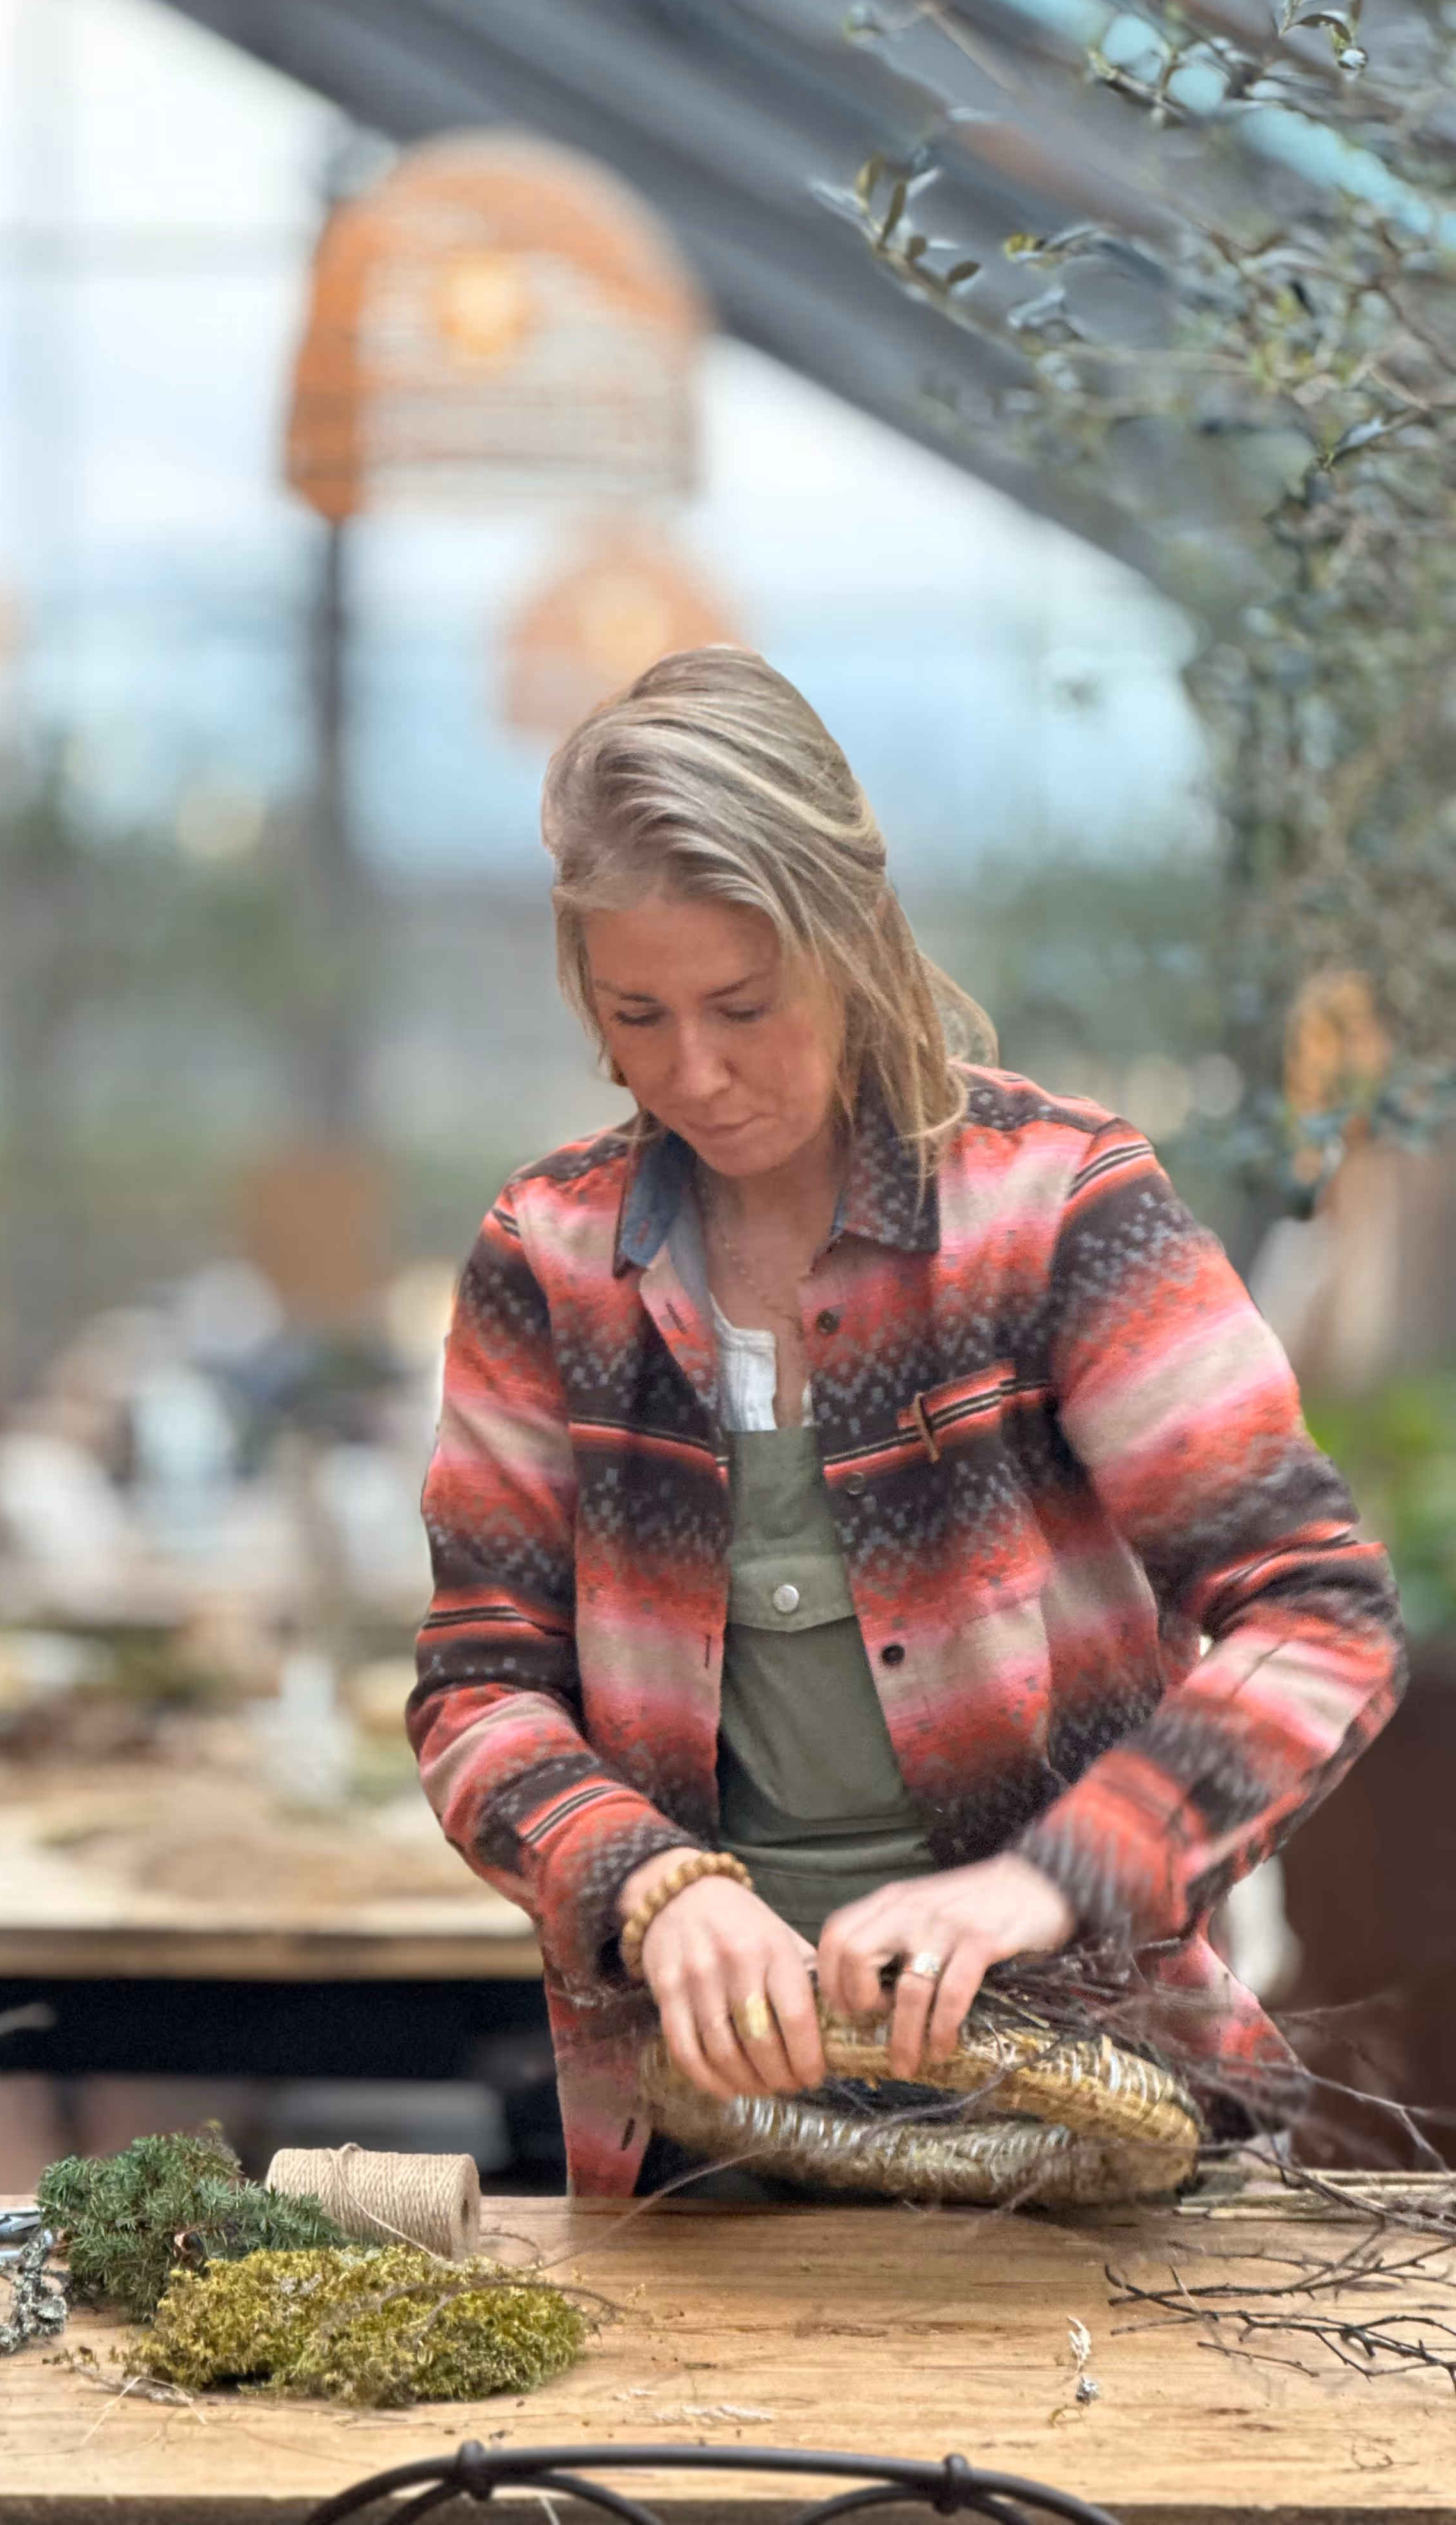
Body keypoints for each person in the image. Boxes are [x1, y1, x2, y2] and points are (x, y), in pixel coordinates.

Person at [410, 647, 1404, 2197]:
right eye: (639, 1014)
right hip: (707, 2132)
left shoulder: (1055, 1209)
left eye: (745, 1003)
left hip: (1094, 2109)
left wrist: (1048, 1886)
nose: (699, 1072)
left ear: (854, 934)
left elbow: (1320, 1619)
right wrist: (654, 1882)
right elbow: (479, 1692)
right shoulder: (547, 1262)